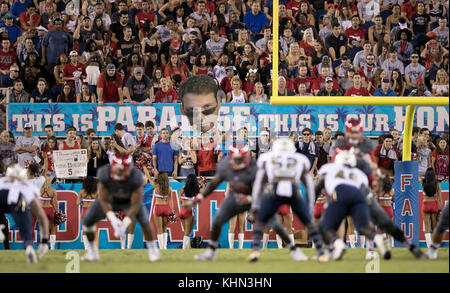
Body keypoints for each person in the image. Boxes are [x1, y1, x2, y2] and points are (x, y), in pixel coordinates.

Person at [191, 145, 303, 261]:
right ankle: (210, 252)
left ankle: (293, 250)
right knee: (218, 220)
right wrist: (199, 197)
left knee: (274, 222)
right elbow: (214, 183)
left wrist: (254, 208)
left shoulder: (254, 166)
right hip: (234, 197)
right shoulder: (226, 165)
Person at [247, 137, 328, 262]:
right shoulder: (299, 160)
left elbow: (259, 184)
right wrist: (310, 204)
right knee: (308, 221)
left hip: (274, 190)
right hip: (293, 190)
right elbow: (309, 184)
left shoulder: (267, 159)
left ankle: (255, 252)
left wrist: (255, 205)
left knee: (261, 219)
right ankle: (321, 253)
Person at [82, 153, 160, 261]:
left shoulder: (137, 176)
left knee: (144, 220)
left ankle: (153, 250)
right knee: (87, 219)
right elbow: (103, 199)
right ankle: (92, 251)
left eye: (123, 171)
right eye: (117, 170)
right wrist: (113, 219)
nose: (120, 173)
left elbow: (136, 203)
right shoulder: (104, 172)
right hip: (110, 199)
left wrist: (125, 223)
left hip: (129, 201)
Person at [315, 149, 387, 260]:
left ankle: (338, 244)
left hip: (340, 193)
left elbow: (318, 186)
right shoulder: (359, 173)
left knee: (325, 227)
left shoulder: (329, 169)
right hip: (358, 196)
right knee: (363, 227)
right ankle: (377, 237)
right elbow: (365, 190)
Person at [0, 164, 49, 263]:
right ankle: (29, 248)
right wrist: (44, 241)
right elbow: (41, 215)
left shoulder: (2, 181)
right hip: (18, 200)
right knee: (26, 228)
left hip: (2, 196)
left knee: (2, 221)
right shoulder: (28, 185)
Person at [143, 170, 174, 250]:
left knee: (159, 229)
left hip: (158, 208)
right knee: (164, 228)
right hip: (166, 208)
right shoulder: (169, 188)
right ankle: (165, 247)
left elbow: (149, 178)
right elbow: (171, 200)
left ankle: (161, 247)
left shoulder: (156, 187)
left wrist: (144, 167)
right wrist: (172, 210)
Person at [178, 174, 205, 249]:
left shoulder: (182, 189)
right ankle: (184, 248)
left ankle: (188, 247)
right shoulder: (196, 190)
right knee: (187, 232)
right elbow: (204, 192)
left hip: (182, 211)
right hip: (189, 212)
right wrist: (202, 184)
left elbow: (180, 200)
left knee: (186, 232)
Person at [421, 168, 443, 248]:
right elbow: (440, 199)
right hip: (434, 205)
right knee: (434, 227)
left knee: (427, 227)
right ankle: (434, 245)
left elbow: (418, 177)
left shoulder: (423, 183)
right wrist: (441, 209)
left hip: (425, 204)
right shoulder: (437, 185)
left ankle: (429, 245)